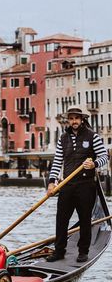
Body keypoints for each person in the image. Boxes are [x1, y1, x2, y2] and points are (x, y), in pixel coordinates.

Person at [46, 107, 108, 263]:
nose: (74, 121)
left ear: (81, 119)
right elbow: (57, 162)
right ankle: (59, 251)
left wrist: (93, 164)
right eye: (71, 118)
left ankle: (83, 251)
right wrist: (52, 182)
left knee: (85, 219)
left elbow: (104, 157)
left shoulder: (92, 136)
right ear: (68, 120)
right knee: (61, 219)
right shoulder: (63, 138)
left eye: (76, 118)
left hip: (86, 185)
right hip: (67, 184)